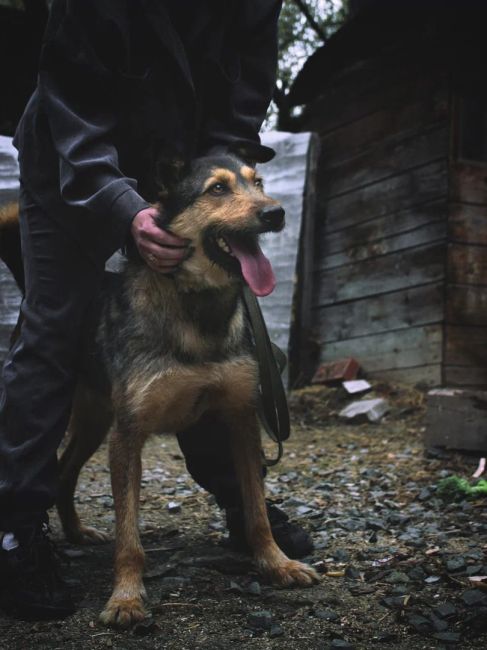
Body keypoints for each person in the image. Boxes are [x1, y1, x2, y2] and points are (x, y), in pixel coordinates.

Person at [0, 0, 313, 621]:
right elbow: (71, 105)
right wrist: (126, 208)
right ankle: (14, 530)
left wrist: (222, 175)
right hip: (72, 162)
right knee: (54, 326)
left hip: (185, 168)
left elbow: (246, 95)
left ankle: (241, 506)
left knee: (206, 339)